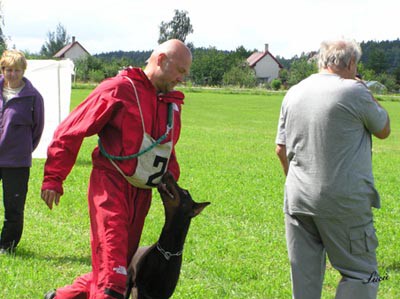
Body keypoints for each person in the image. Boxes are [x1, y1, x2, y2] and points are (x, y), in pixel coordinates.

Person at [41, 39, 192, 299]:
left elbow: (165, 149)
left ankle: (60, 297)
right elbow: (71, 129)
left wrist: (171, 184)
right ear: (161, 61)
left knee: (116, 265)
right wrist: (54, 177)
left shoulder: (170, 104)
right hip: (110, 190)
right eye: (180, 70)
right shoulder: (119, 89)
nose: (182, 78)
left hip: (140, 195)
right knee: (113, 277)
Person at [275, 39, 390, 299]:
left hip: (297, 199)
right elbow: (384, 129)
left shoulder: (293, 92)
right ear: (351, 63)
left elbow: (280, 149)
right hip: (343, 202)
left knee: (304, 282)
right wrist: (367, 92)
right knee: (362, 274)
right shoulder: (354, 91)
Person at [0, 50, 44, 255]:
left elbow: (37, 129)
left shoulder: (34, 97)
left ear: (23, 70)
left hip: (16, 162)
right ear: (2, 70)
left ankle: (6, 245)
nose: (12, 74)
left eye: (17, 70)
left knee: (14, 207)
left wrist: (22, 149)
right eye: (8, 69)